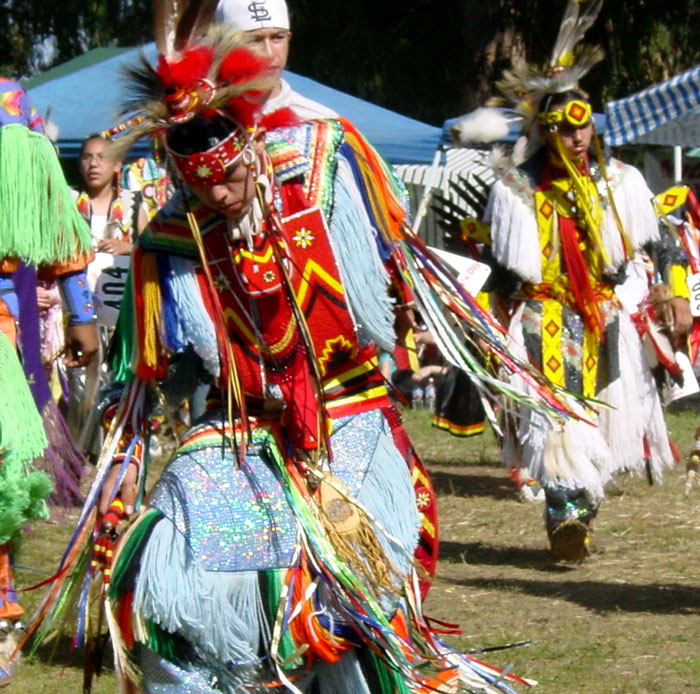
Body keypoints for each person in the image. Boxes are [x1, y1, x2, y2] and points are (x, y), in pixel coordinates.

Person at [24, 22, 550, 694]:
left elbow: (387, 285)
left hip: (344, 407)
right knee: (181, 558)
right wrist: (125, 457)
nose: (218, 195)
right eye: (199, 184)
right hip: (237, 421)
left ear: (251, 143)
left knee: (350, 584)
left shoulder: (323, 168)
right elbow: (160, 369)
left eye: (229, 177)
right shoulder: (171, 236)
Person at [480, 0, 685, 560]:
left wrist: (676, 295)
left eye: (583, 125)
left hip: (604, 317)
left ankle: (580, 512)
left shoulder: (621, 182)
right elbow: (500, 269)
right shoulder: (515, 190)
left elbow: (663, 243)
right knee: (554, 418)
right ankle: (566, 513)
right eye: (562, 129)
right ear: (545, 131)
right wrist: (482, 322)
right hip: (540, 318)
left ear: (593, 124)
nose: (575, 138)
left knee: (595, 416)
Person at [0, 78, 97, 682]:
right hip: (9, 336)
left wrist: (82, 314)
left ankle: (3, 611)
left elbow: (58, 229)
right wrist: (81, 314)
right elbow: (62, 233)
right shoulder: (22, 123)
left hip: (8, 338)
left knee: (7, 474)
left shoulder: (17, 115)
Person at [63, 134, 148, 454]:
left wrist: (128, 246)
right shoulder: (69, 202)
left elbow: (152, 248)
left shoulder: (132, 204)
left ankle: (111, 453)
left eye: (101, 157)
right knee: (80, 385)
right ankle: (77, 456)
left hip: (119, 308)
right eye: (86, 157)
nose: (93, 164)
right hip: (76, 310)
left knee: (114, 382)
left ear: (116, 165)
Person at [214, 0, 338, 119]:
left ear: (288, 39)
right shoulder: (202, 118)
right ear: (224, 46)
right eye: (254, 40)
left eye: (277, 38)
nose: (269, 53)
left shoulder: (321, 124)